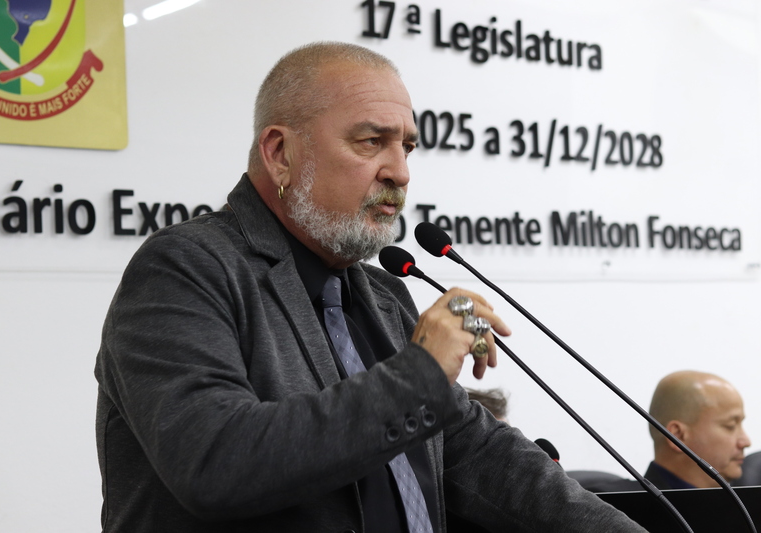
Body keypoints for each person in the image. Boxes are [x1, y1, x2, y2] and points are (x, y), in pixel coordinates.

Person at [94, 41, 645, 532]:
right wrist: (421, 372)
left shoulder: (383, 295)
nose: (400, 172)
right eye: (371, 141)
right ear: (280, 153)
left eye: (407, 147)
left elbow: (476, 452)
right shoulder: (184, 269)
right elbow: (215, 461)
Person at [582, 370, 751, 492]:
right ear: (677, 435)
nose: (746, 442)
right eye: (730, 426)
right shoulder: (614, 507)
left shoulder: (747, 505)